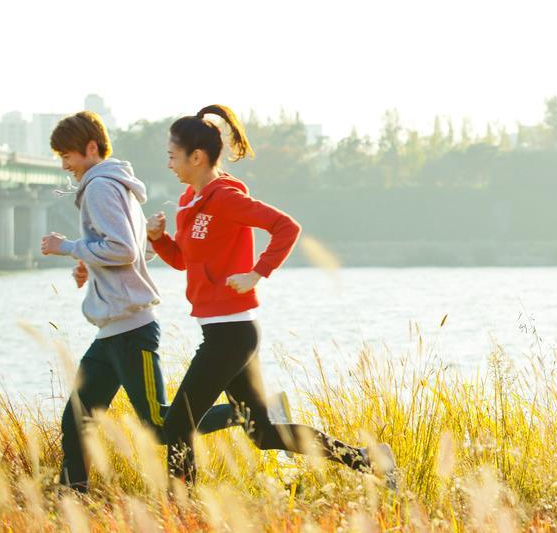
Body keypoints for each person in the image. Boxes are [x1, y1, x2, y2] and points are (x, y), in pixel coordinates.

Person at [147, 104, 396, 488]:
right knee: (261, 434)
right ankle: (367, 460)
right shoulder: (187, 204)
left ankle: (182, 514)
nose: (169, 164)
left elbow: (285, 227)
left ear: (196, 157)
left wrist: (257, 273)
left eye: (172, 156)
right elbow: (182, 260)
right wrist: (158, 239)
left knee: (177, 423)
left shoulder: (225, 199)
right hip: (219, 332)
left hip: (232, 334)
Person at [40, 111, 234, 491]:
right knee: (76, 420)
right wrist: (89, 266)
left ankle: (248, 413)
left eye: (68, 155)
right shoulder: (114, 184)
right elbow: (134, 249)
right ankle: (71, 501)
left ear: (91, 148)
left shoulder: (99, 187)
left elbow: (123, 249)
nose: (65, 164)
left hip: (131, 330)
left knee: (161, 424)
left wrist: (67, 247)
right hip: (111, 331)